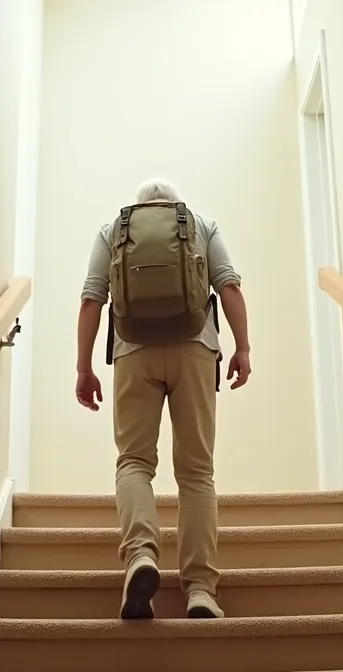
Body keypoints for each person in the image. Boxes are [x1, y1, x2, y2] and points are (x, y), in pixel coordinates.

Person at [74, 178, 251, 620]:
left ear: (140, 208)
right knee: (196, 473)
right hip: (195, 349)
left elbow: (91, 300)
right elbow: (229, 286)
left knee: (134, 463)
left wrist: (84, 368)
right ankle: (200, 591)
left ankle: (140, 556)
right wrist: (243, 349)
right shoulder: (201, 225)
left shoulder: (113, 230)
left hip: (133, 353)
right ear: (174, 206)